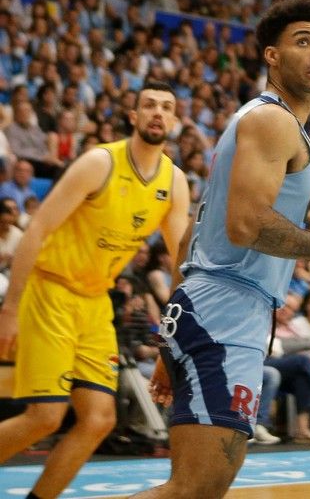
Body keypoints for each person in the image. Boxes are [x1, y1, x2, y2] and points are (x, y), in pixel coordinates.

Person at [132, 0, 310, 498]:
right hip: (225, 311)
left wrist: (175, 335)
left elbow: (196, 233)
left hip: (213, 309)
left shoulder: (267, 123)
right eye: (304, 42)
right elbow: (245, 226)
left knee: (198, 490)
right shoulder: (271, 121)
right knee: (192, 489)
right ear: (272, 56)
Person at [0, 82, 190, 499]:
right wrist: (10, 309)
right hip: (51, 290)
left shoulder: (174, 182)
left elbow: (181, 263)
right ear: (133, 117)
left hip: (94, 302)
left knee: (100, 419)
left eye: (167, 107)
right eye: (149, 106)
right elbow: (37, 230)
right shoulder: (99, 163)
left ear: (175, 121)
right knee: (45, 417)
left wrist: (175, 337)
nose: (158, 112)